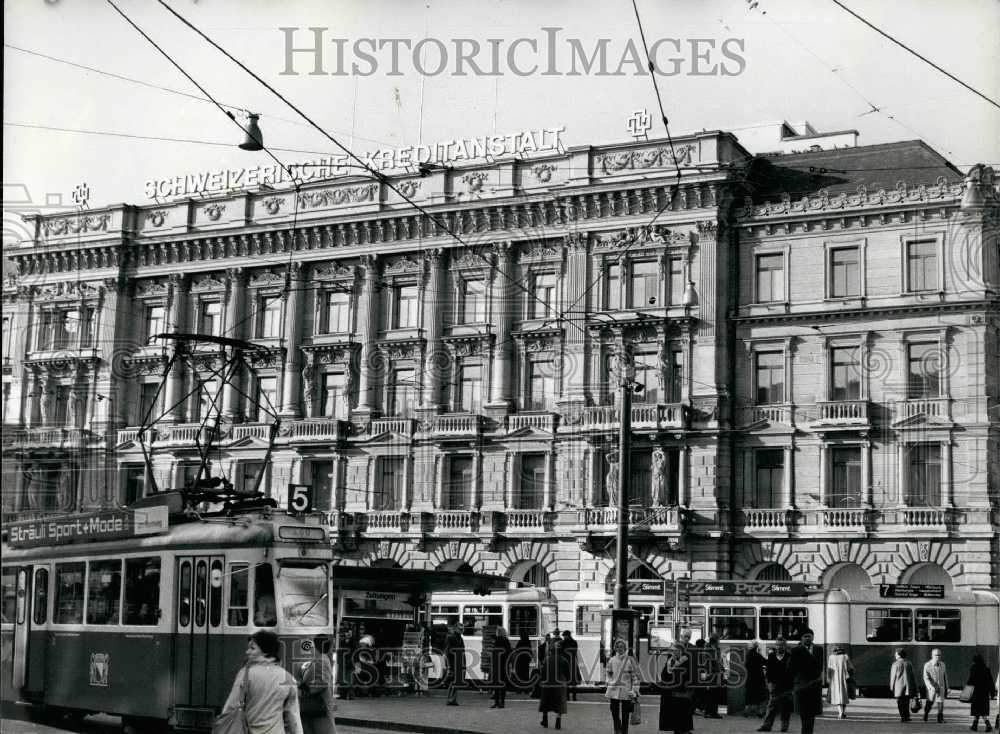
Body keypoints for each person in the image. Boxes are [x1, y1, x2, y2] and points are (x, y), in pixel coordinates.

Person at [220, 630, 303, 734]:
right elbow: (294, 718)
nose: (247, 652)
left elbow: (230, 707)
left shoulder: (246, 674)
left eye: (252, 648)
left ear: (265, 651)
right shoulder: (288, 678)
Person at [296, 636, 337, 734]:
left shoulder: (321, 660)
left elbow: (322, 682)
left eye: (313, 643)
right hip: (315, 705)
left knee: (323, 730)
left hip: (319, 704)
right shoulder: (319, 659)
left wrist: (306, 689)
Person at [659, 628, 695, 734]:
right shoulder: (684, 651)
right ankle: (682, 729)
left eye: (689, 636)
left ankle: (682, 729)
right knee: (681, 707)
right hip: (677, 685)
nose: (687, 638)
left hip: (678, 685)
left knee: (681, 707)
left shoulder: (685, 650)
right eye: (686, 636)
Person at [788, 628, 824, 734]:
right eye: (805, 636)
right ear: (801, 638)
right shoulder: (795, 650)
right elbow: (791, 668)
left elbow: (820, 666)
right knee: (804, 714)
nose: (808, 638)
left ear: (813, 637)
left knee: (811, 715)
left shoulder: (819, 649)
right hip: (801, 685)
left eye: (809, 636)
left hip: (814, 686)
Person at [758, 636, 793, 733]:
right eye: (777, 645)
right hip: (774, 684)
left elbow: (792, 671)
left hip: (786, 685)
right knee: (771, 705)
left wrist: (792, 685)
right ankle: (766, 726)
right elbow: (768, 670)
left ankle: (784, 726)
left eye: (781, 645)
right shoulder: (771, 656)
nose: (779, 647)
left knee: (786, 707)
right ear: (775, 646)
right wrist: (769, 683)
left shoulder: (789, 657)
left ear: (785, 646)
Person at [605, 638, 640, 734]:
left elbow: (635, 677)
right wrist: (609, 681)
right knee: (614, 711)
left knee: (625, 714)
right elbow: (608, 672)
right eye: (617, 647)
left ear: (625, 648)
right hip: (613, 689)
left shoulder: (630, 660)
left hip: (626, 690)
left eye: (622, 647)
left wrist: (634, 690)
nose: (619, 649)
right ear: (615, 648)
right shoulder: (612, 660)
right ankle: (617, 728)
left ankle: (624, 731)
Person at [538, 639, 569, 730]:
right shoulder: (563, 660)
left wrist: (542, 681)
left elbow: (543, 672)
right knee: (559, 703)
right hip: (559, 684)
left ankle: (545, 720)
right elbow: (567, 673)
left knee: (546, 702)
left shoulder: (547, 659)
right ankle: (558, 722)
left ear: (551, 650)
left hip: (547, 683)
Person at [967, 653, 997, 732]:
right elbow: (990, 682)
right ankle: (977, 725)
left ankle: (984, 725)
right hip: (984, 694)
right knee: (982, 710)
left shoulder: (973, 668)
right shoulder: (986, 669)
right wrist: (992, 693)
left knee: (977, 710)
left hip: (976, 693)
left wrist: (967, 690)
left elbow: (970, 681)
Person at [889, 648, 918, 722]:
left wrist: (891, 686)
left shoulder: (895, 664)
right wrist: (915, 687)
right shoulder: (909, 663)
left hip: (899, 687)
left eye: (896, 654)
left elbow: (893, 676)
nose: (895, 655)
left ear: (899, 655)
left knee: (900, 702)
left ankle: (903, 717)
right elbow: (913, 676)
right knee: (906, 702)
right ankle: (907, 716)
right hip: (908, 686)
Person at [826, 644, 854, 719]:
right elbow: (851, 668)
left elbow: (829, 669)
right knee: (844, 695)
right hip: (845, 679)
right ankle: (843, 712)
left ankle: (840, 713)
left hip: (835, 679)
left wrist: (828, 678)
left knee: (837, 695)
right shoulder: (845, 656)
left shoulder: (831, 657)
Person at [922, 647, 949, 723]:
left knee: (940, 702)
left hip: (941, 686)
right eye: (936, 655)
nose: (938, 657)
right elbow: (925, 677)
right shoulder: (927, 665)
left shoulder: (943, 664)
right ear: (932, 655)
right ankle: (926, 714)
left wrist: (947, 687)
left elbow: (945, 676)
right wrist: (930, 687)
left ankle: (940, 718)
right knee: (930, 702)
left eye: (939, 655)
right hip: (932, 687)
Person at [490, 626, 512, 709]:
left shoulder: (497, 641)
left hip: (497, 665)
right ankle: (502, 702)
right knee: (503, 685)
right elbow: (509, 653)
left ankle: (496, 702)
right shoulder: (506, 641)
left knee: (496, 684)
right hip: (504, 665)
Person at [744, 641, 768, 717]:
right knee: (760, 695)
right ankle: (760, 712)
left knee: (750, 695)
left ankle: (747, 711)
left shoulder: (747, 655)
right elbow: (766, 662)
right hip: (759, 677)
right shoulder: (757, 655)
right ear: (756, 647)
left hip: (750, 678)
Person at [702, 635, 724, 719]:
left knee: (714, 693)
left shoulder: (716, 649)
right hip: (711, 672)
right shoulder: (708, 649)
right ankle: (711, 712)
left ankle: (711, 711)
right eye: (718, 640)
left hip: (715, 672)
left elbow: (718, 660)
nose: (719, 642)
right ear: (715, 641)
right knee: (712, 693)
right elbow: (709, 661)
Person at [444, 623, 465, 706]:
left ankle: (453, 699)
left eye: (462, 629)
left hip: (459, 661)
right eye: (460, 629)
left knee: (456, 682)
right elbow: (447, 651)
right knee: (453, 681)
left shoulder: (460, 638)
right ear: (456, 629)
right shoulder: (451, 637)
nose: (462, 630)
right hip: (453, 662)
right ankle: (450, 699)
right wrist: (449, 664)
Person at [561, 630, 581, 701]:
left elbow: (561, 654)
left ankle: (567, 696)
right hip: (573, 662)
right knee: (573, 681)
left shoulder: (563, 643)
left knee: (567, 681)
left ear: (567, 635)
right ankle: (574, 697)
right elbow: (575, 653)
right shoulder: (574, 642)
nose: (563, 637)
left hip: (566, 663)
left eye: (564, 636)